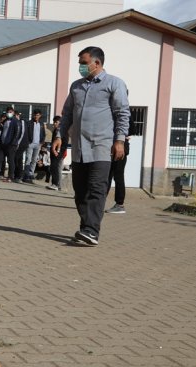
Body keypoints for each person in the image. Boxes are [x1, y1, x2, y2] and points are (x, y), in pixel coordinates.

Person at [52, 46, 130, 246]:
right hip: (79, 149)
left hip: (102, 147)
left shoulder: (114, 84)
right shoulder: (76, 86)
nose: (80, 67)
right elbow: (67, 113)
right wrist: (60, 136)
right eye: (79, 63)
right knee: (80, 193)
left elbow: (122, 113)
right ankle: (86, 228)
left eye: (83, 63)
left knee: (96, 189)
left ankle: (91, 231)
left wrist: (119, 140)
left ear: (97, 63)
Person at [0, 107, 20, 182]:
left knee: (10, 161)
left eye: (10, 112)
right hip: (2, 144)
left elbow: (17, 133)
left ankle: (10, 177)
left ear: (13, 112)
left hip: (11, 145)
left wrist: (13, 143)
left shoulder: (16, 121)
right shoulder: (5, 120)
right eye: (8, 112)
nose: (9, 113)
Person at [106, 136, 130, 214]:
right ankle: (99, 200)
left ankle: (120, 205)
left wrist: (124, 136)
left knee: (118, 177)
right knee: (107, 176)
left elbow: (133, 129)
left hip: (120, 149)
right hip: (114, 147)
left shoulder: (124, 124)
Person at [22, 109, 45, 183]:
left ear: (40, 116)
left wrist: (41, 142)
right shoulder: (29, 123)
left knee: (34, 160)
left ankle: (31, 174)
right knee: (28, 159)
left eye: (37, 115)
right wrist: (27, 142)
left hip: (38, 144)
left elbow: (43, 134)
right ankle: (26, 174)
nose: (36, 116)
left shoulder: (41, 124)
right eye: (35, 115)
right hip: (30, 144)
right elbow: (26, 133)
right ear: (33, 115)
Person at [47, 115, 67, 191]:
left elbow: (61, 142)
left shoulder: (61, 130)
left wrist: (57, 151)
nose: (54, 124)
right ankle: (56, 184)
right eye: (54, 122)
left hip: (58, 151)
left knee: (55, 167)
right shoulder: (55, 130)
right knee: (54, 167)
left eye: (56, 122)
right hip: (55, 151)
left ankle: (55, 184)